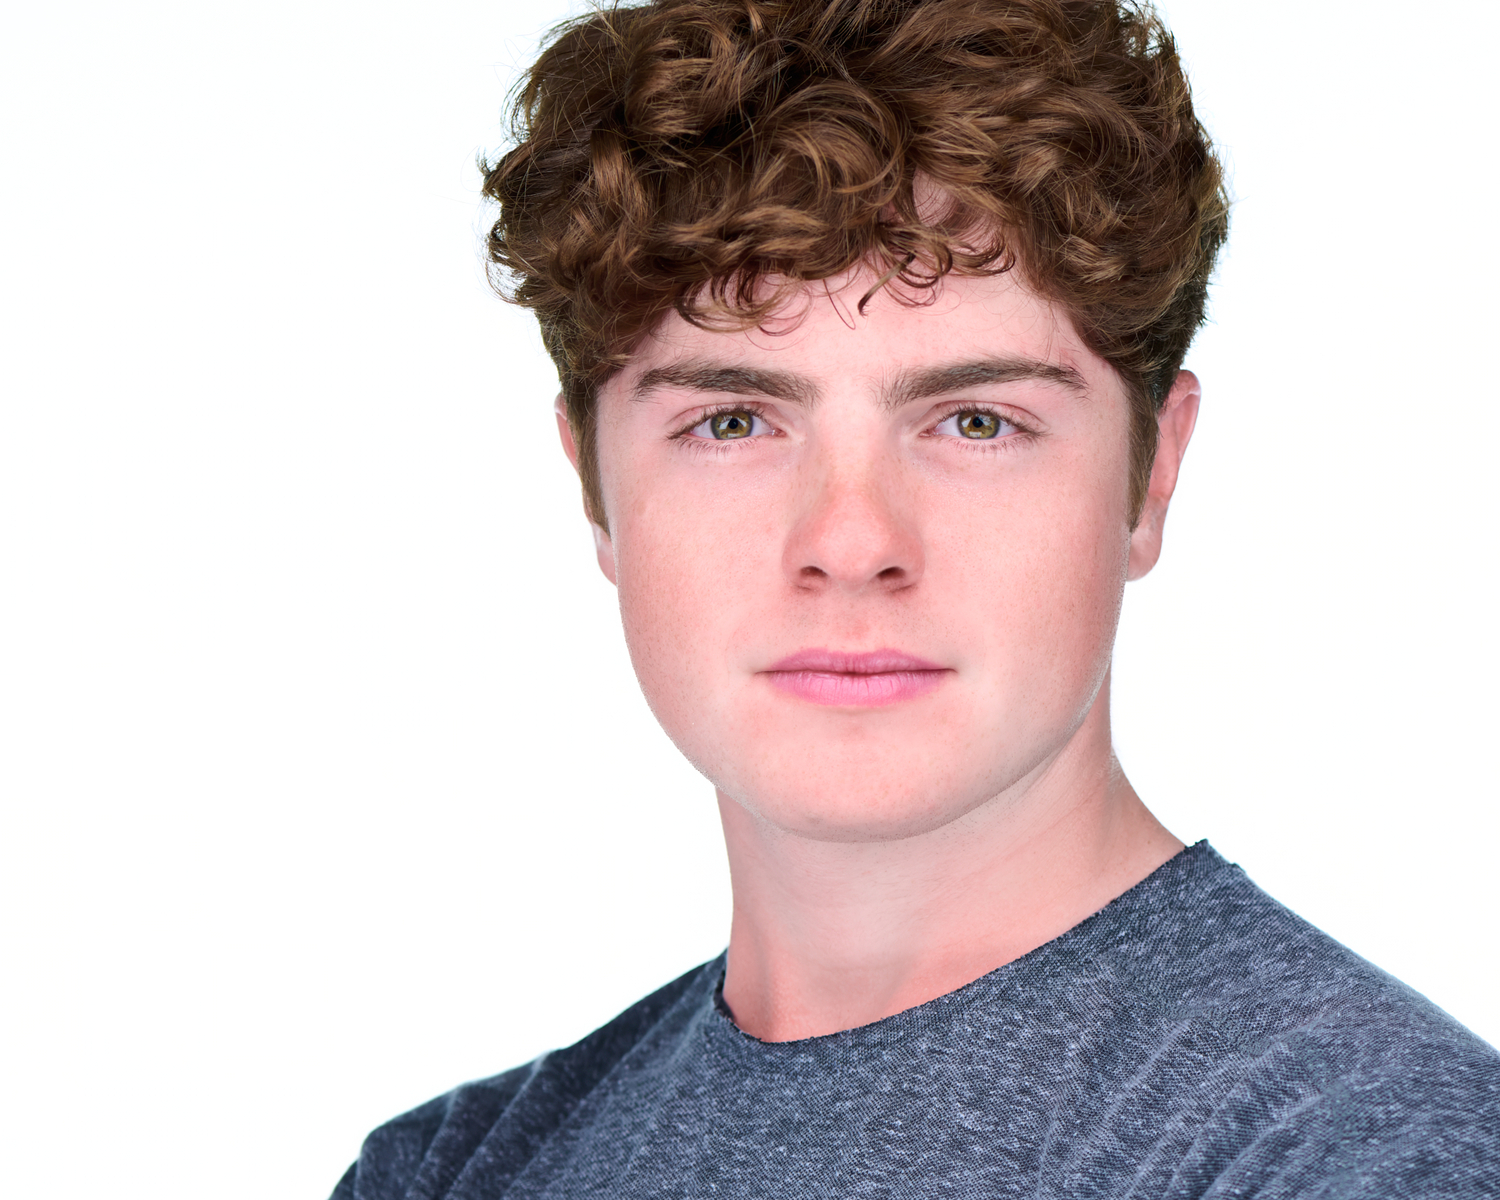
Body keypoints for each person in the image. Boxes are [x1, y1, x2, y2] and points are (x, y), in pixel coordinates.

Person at [332, 0, 1500, 1195]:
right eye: (732, 421)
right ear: (594, 483)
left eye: (976, 421)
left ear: (1152, 474)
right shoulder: (448, 1174)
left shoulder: (1356, 1153)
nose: (851, 544)